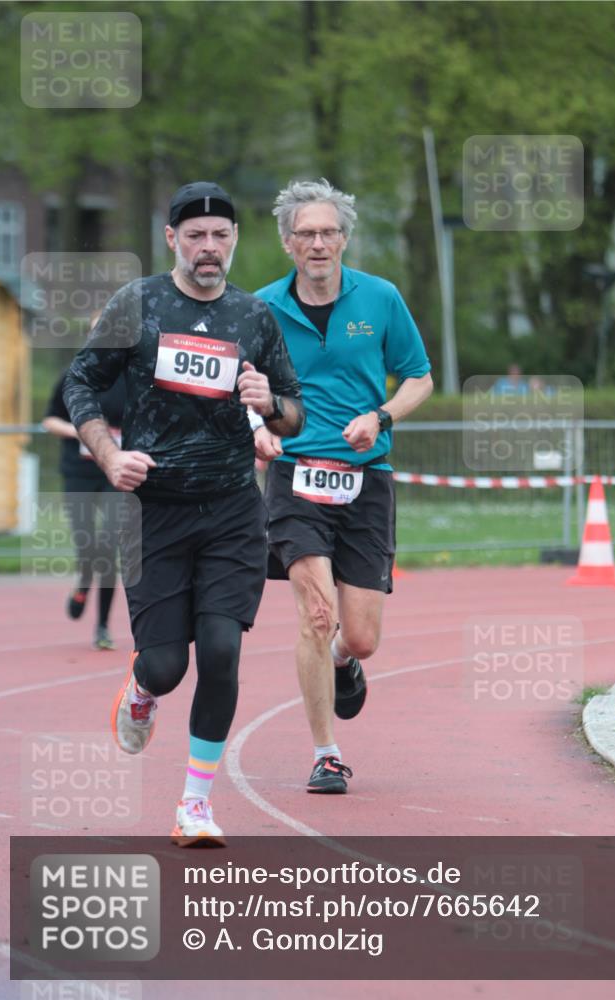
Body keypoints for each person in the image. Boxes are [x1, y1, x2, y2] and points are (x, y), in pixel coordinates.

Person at [63, 181, 304, 845]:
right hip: (154, 513)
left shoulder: (253, 317)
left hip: (230, 508)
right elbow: (81, 383)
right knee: (167, 665)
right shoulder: (137, 304)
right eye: (194, 235)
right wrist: (111, 456)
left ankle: (194, 804)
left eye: (220, 235)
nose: (208, 247)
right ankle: (142, 689)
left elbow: (292, 405)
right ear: (171, 238)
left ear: (234, 241)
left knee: (222, 651)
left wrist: (271, 401)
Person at [253, 178, 433, 794]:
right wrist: (256, 426)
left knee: (358, 635)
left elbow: (419, 378)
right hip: (295, 477)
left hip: (366, 481)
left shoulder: (380, 299)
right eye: (306, 233)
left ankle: (344, 661)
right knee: (315, 613)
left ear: (345, 239)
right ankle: (325, 752)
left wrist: (380, 416)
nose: (319, 243)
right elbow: (234, 386)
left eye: (329, 232)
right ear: (287, 243)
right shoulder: (260, 308)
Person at [43, 315, 126, 651]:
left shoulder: (131, 379)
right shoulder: (74, 376)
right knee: (87, 544)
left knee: (107, 548)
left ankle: (103, 626)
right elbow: (50, 419)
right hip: (78, 471)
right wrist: (80, 430)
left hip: (115, 472)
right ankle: (83, 580)